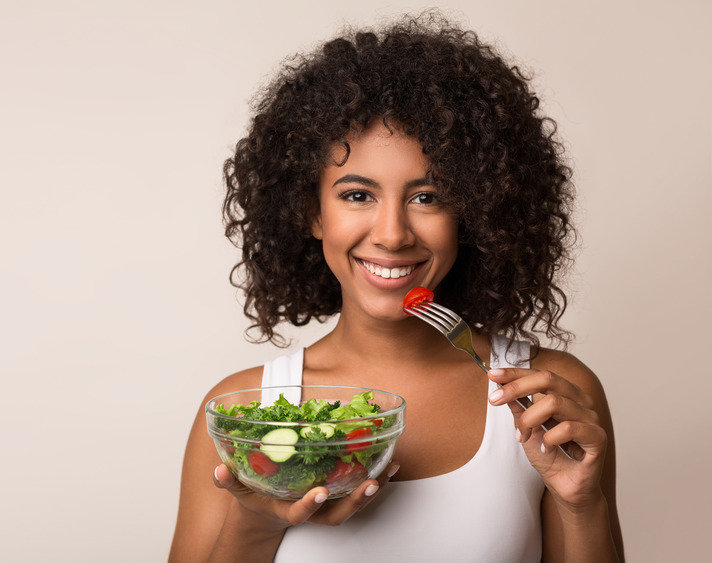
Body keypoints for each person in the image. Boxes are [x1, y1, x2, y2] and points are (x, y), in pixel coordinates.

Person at [169, 12, 622, 563]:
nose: (391, 234)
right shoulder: (246, 416)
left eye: (427, 197)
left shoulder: (548, 396)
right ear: (311, 213)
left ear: (473, 214)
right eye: (357, 195)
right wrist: (255, 523)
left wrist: (581, 502)